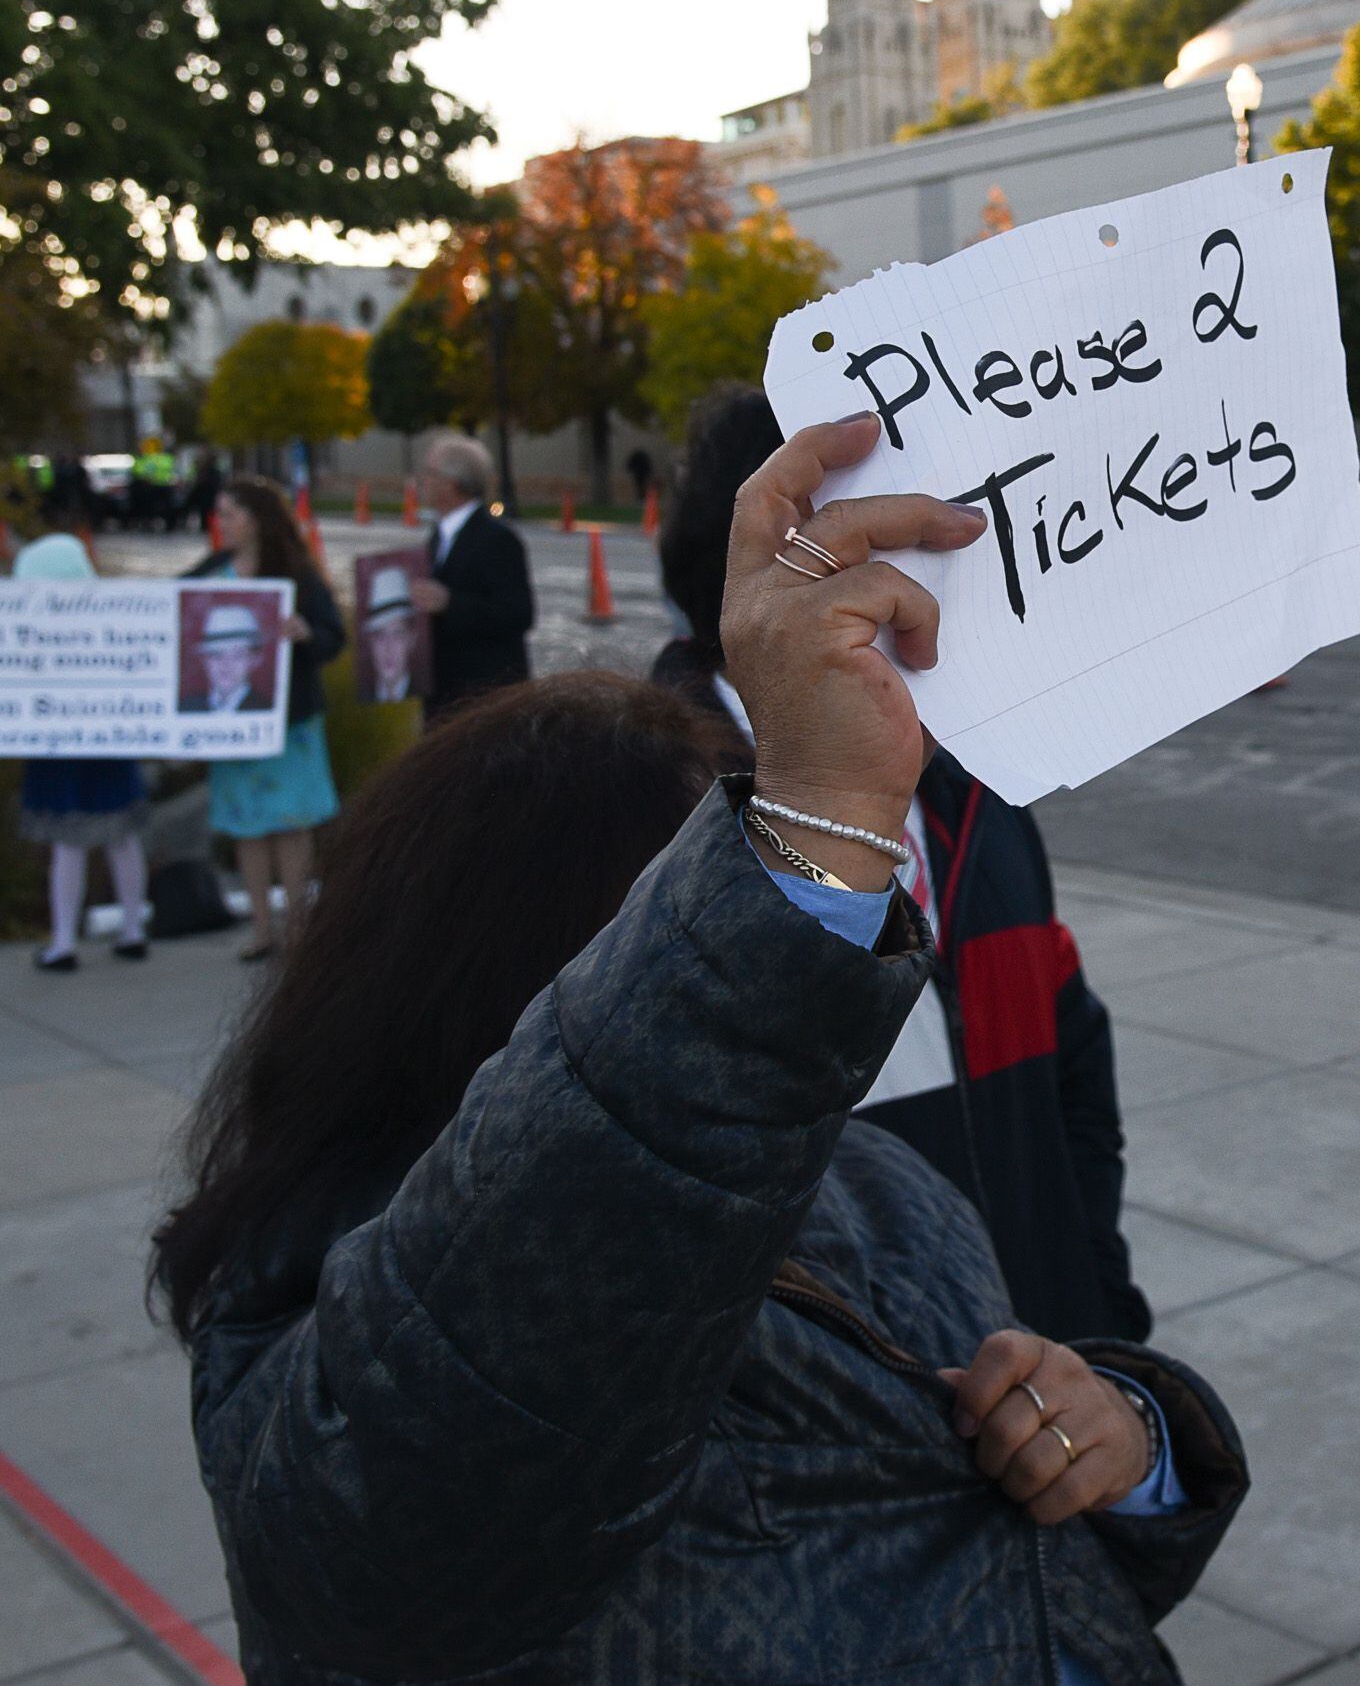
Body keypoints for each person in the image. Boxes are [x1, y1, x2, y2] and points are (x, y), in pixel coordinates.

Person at [150, 420, 1248, 1685]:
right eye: (705, 884)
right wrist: (804, 834)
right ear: (547, 972)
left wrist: (1131, 1428)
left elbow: (1044, 1523)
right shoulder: (356, 1356)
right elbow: (558, 1275)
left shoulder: (885, 1190)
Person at [652, 387, 1148, 1342]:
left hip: (1043, 1376)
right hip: (832, 1428)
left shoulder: (978, 786)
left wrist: (1103, 1324)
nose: (953, 538)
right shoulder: (644, 813)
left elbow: (1073, 1061)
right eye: (899, 515)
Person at [188, 476, 344, 962]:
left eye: (230, 513)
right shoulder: (212, 572)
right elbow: (172, 614)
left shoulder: (295, 574)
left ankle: (298, 928)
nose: (223, 523)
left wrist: (305, 634)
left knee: (290, 824)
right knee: (247, 826)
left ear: (256, 520)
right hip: (235, 729)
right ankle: (261, 928)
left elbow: (333, 635)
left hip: (290, 721)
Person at [13, 535, 152, 971]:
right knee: (115, 840)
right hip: (96, 738)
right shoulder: (107, 622)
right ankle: (127, 930)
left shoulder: (37, 628)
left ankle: (68, 940)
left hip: (69, 741)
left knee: (73, 845)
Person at [407, 433, 533, 713]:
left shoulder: (496, 538)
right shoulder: (440, 535)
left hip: (484, 695)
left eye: (430, 473)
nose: (423, 481)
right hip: (445, 692)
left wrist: (450, 603)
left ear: (451, 484)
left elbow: (518, 613)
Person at [358, 566, 420, 704]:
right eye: (380, 636)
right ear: (370, 642)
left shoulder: (423, 698)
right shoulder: (362, 699)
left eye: (397, 635)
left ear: (411, 640)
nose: (388, 648)